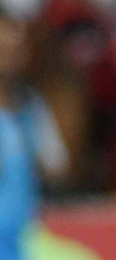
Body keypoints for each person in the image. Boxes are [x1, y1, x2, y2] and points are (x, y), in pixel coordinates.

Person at [0, 18, 68, 260]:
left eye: (14, 50)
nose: (7, 58)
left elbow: (57, 166)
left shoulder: (31, 107)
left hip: (25, 238)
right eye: (2, 50)